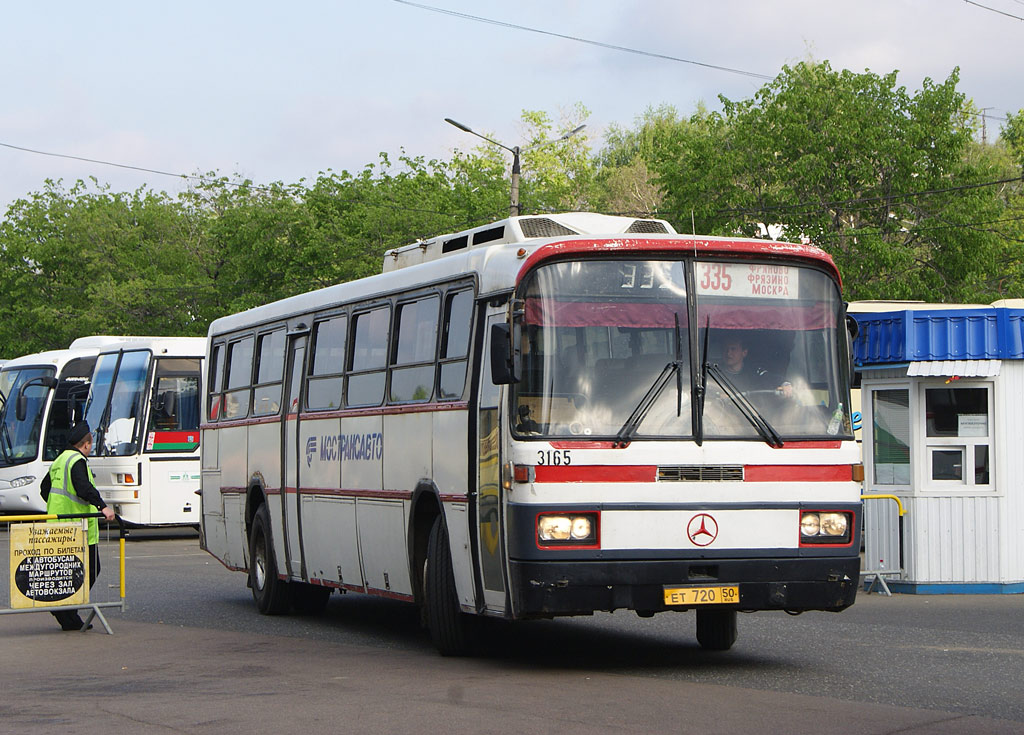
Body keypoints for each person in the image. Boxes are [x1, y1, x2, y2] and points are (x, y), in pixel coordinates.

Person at [39, 421, 116, 631]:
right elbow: (84, 488)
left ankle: (68, 616)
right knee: (89, 569)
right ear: (86, 444)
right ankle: (65, 610)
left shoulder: (60, 459)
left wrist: (59, 506)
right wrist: (103, 506)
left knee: (66, 570)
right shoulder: (77, 460)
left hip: (57, 527)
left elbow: (44, 488)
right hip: (77, 529)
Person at [720, 336, 792, 397]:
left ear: (744, 352)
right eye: (726, 349)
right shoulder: (715, 371)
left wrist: (785, 384)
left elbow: (771, 377)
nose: (728, 353)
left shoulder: (754, 371)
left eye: (733, 349)